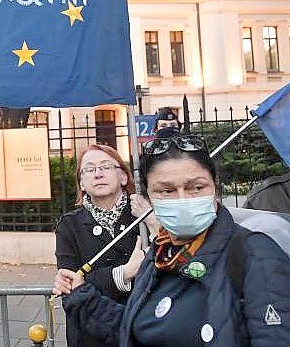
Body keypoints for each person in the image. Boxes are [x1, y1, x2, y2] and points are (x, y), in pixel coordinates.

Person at [54, 135, 290, 347]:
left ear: (215, 186)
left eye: (196, 187)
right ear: (150, 196)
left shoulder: (254, 254)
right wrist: (83, 296)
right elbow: (134, 331)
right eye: (166, 191)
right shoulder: (160, 254)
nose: (183, 199)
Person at [55, 144, 159, 347]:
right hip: (90, 333)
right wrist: (125, 273)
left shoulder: (145, 215)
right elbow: (71, 287)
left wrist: (153, 222)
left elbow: (170, 265)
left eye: (105, 166)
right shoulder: (69, 225)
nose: (98, 173)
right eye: (89, 169)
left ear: (123, 177)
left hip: (140, 328)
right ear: (82, 183)